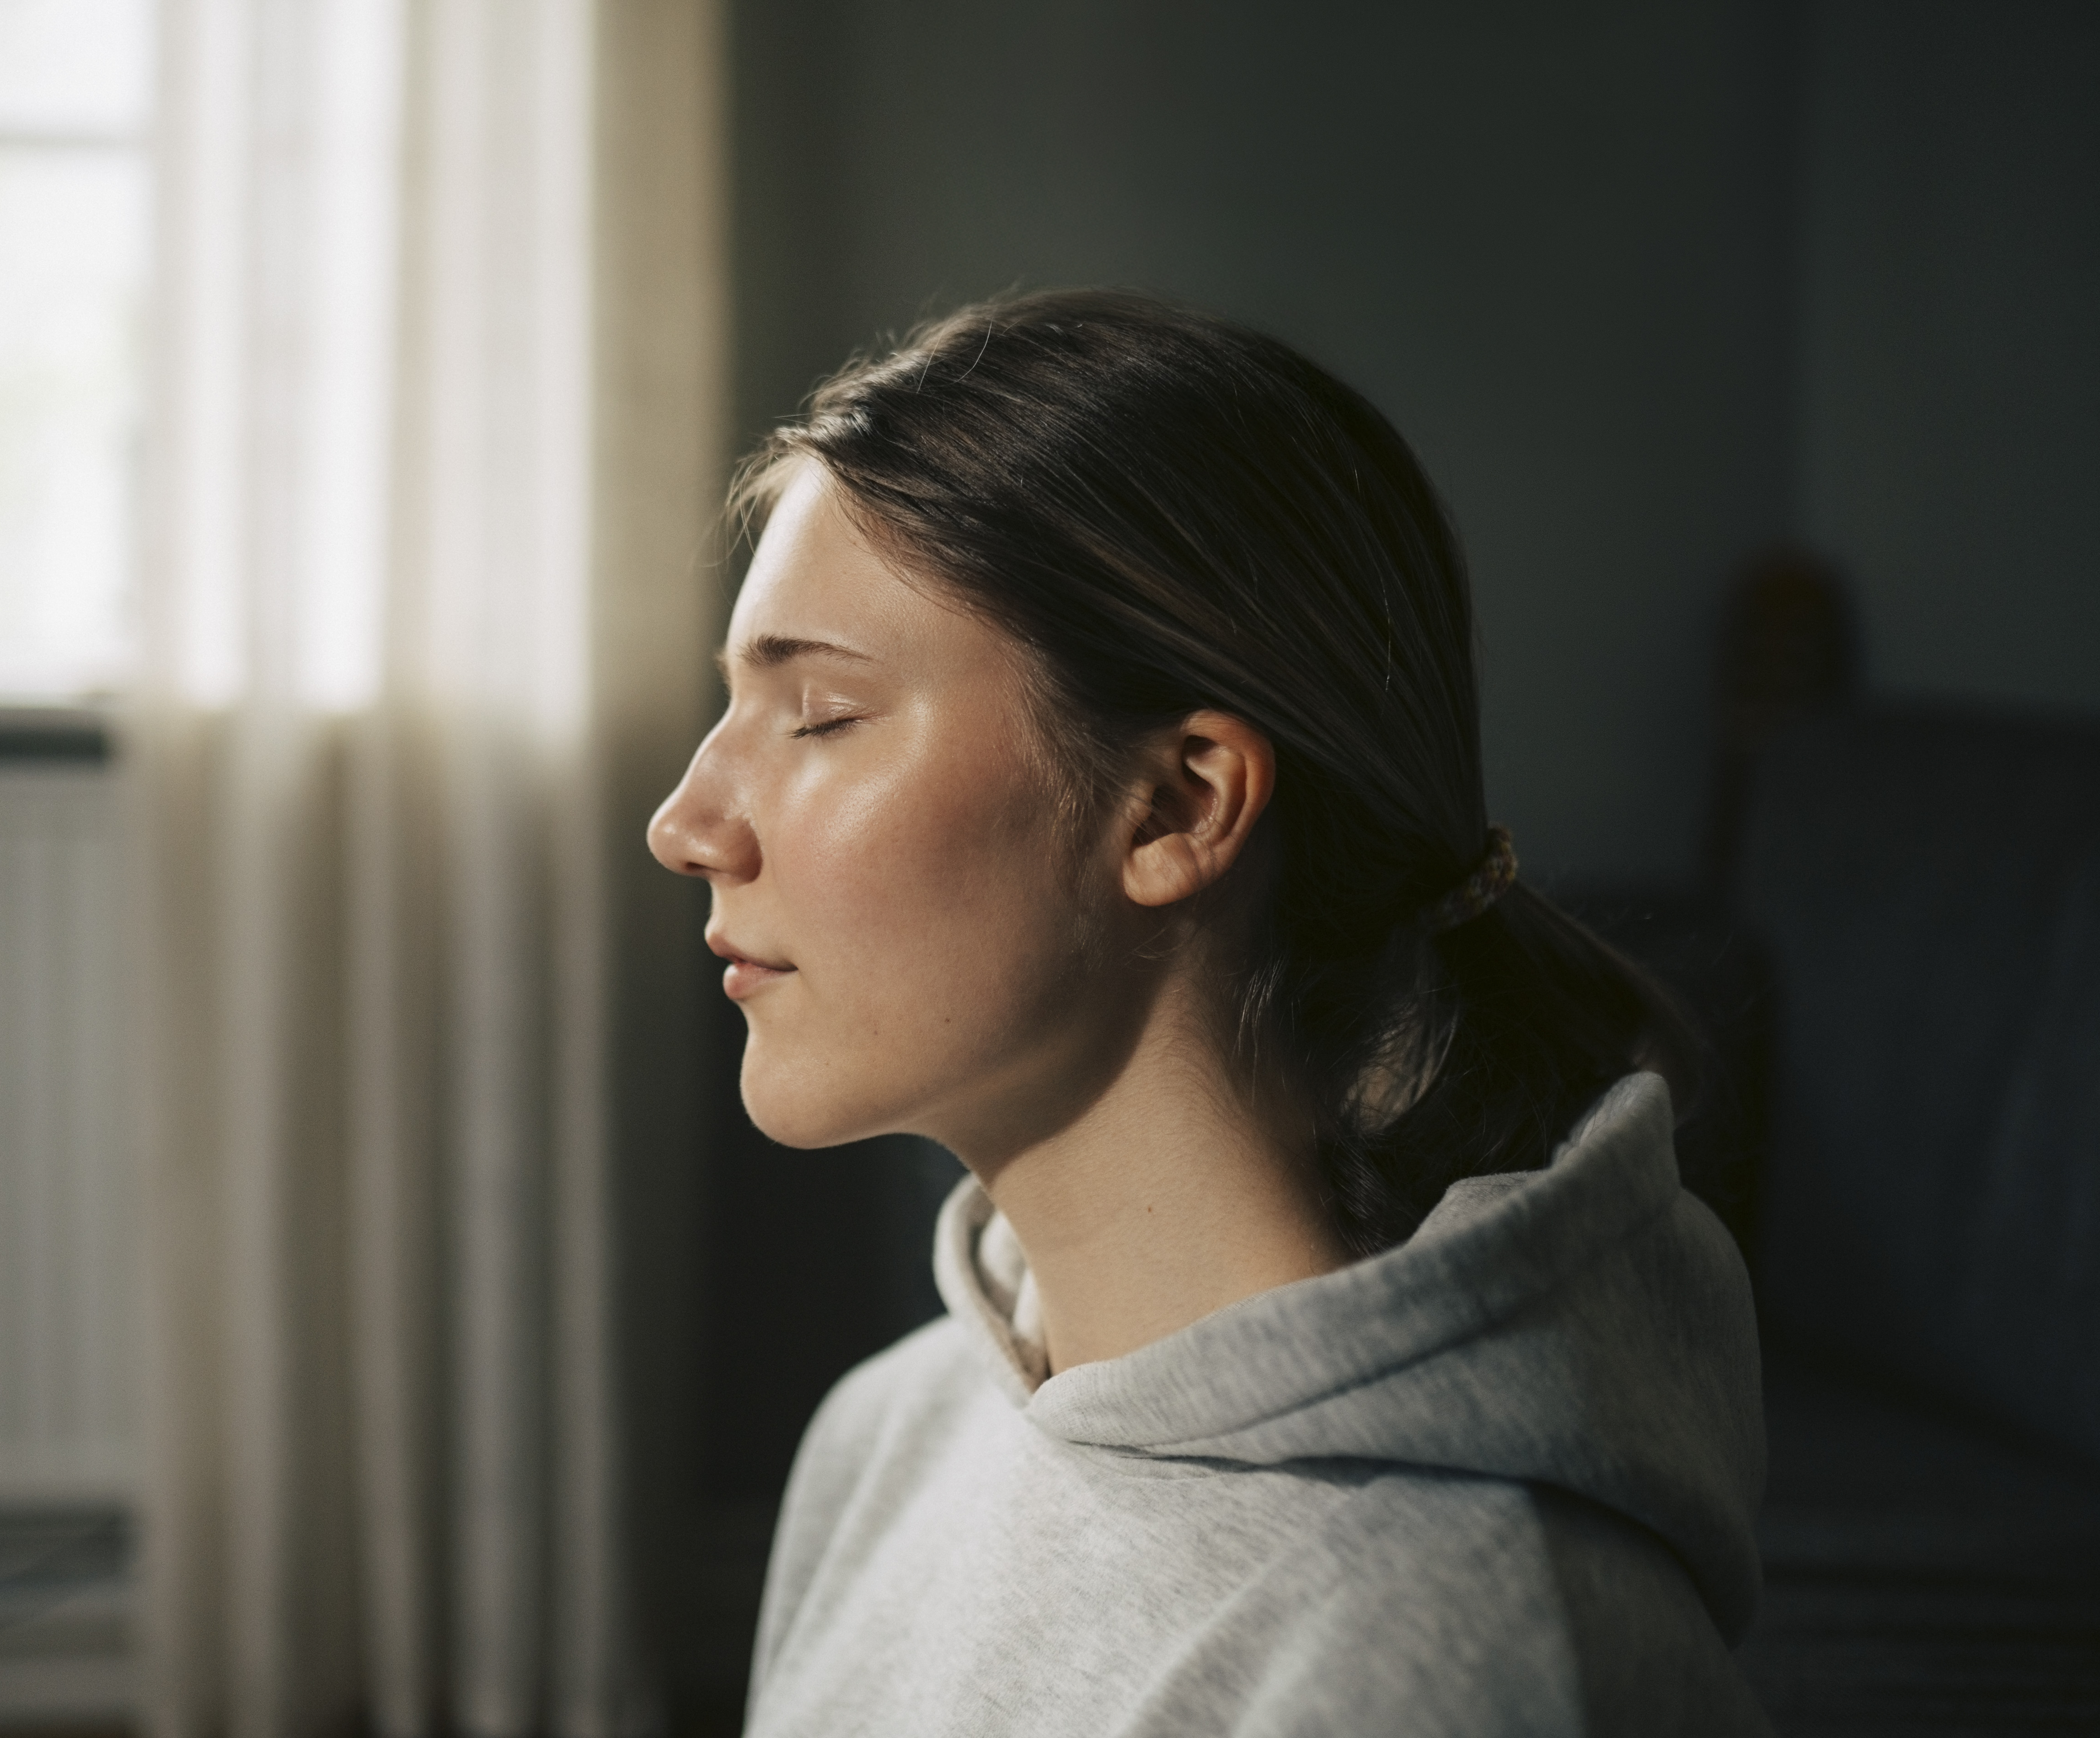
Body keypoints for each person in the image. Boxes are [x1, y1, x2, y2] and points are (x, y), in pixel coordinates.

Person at [646, 290, 1768, 1735]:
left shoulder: (1455, 1652)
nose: (687, 822)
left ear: (1178, 804)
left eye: (820, 718)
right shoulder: (886, 1436)